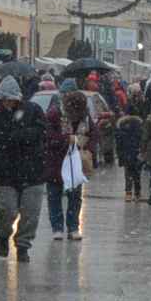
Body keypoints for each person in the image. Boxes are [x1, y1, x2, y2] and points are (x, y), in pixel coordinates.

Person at [0, 77, 49, 260]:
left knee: (30, 212)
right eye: (5, 100)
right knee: (7, 210)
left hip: (33, 171)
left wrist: (21, 136)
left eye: (11, 100)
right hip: (6, 171)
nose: (8, 103)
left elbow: (42, 132)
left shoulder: (33, 110)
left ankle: (23, 246)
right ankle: (3, 235)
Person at [46, 86, 95, 240]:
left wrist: (87, 147)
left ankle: (73, 227)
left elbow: (94, 135)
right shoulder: (54, 115)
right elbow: (47, 136)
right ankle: (57, 228)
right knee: (54, 195)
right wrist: (66, 140)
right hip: (56, 162)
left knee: (75, 196)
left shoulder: (85, 117)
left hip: (76, 163)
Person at [114, 103, 147, 202]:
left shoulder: (121, 124)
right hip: (137, 152)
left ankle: (128, 193)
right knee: (137, 173)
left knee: (128, 174)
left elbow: (118, 141)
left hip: (126, 152)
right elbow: (143, 139)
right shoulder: (140, 124)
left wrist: (119, 154)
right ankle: (138, 193)